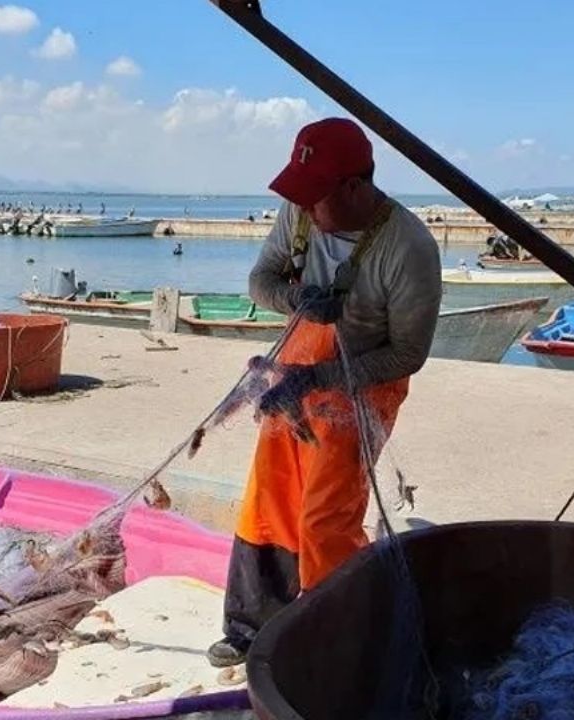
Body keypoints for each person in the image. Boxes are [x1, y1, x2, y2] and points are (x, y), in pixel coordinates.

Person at [207, 118, 442, 667]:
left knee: (325, 516)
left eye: (316, 198)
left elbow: (409, 354)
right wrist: (296, 300)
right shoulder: (300, 211)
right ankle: (252, 624)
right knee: (269, 496)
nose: (305, 210)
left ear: (354, 187)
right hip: (292, 370)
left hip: (363, 385)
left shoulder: (408, 248)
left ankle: (333, 631)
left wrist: (326, 378)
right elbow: (260, 282)